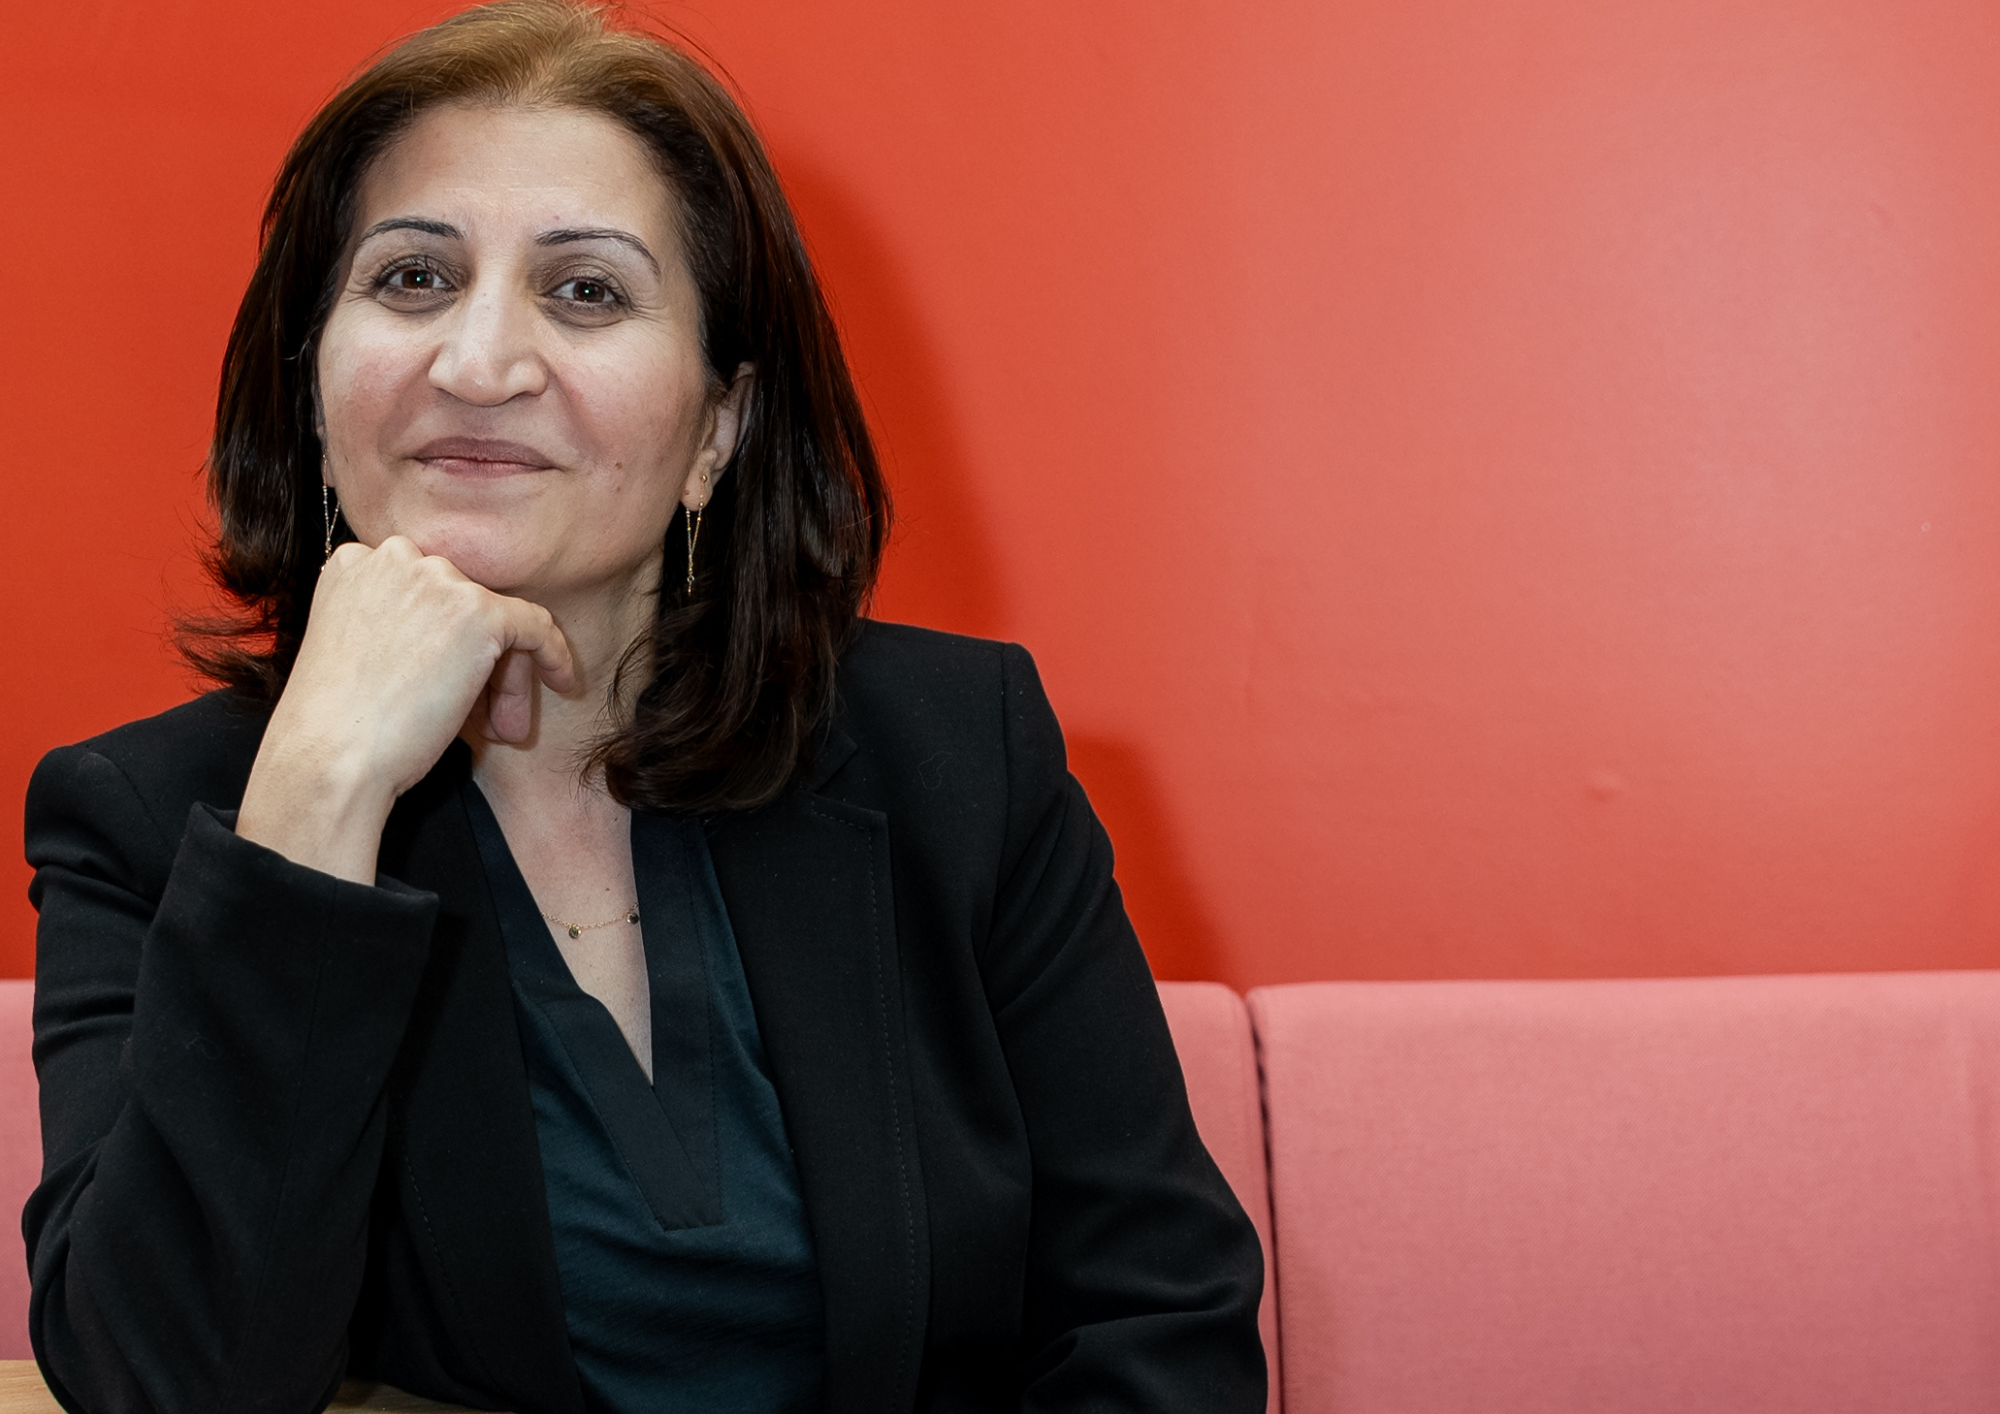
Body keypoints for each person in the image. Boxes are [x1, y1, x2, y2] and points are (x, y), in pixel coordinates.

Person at [21, 2, 1265, 1410]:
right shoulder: (139, 823)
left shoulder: (959, 756)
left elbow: (1163, 1331)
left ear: (718, 428)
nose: (478, 362)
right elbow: (169, 1385)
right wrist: (313, 804)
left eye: (587, 293)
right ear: (316, 388)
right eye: (414, 278)